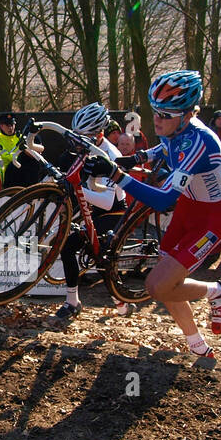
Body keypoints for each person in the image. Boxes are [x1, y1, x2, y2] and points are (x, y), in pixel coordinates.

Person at [105, 70, 221, 359]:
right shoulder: (177, 130)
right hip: (190, 209)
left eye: (165, 114)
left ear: (187, 115)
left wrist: (117, 176)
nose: (157, 120)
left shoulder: (199, 141)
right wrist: (137, 158)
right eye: (155, 112)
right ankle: (198, 347)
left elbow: (163, 201)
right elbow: (164, 147)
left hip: (212, 219)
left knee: (158, 286)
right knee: (165, 283)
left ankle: (218, 290)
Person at [52, 102, 133, 319]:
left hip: (113, 213)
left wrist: (75, 188)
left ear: (99, 133)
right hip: (94, 210)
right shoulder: (84, 149)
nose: (78, 143)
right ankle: (72, 301)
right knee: (68, 248)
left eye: (84, 137)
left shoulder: (111, 155)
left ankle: (120, 301)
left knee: (99, 255)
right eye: (76, 136)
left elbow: (107, 201)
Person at [0, 114, 21, 180]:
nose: (10, 128)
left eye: (12, 125)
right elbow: (6, 156)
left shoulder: (20, 137)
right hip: (7, 174)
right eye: (7, 125)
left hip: (21, 171)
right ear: (1, 126)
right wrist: (20, 158)